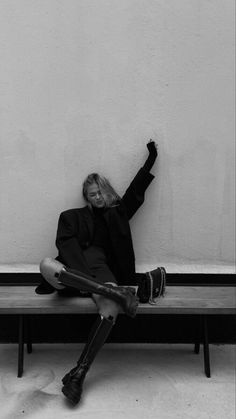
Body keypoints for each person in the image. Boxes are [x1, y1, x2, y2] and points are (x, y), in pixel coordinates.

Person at [39, 140, 158, 405]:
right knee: (47, 264)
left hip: (102, 270)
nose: (98, 198)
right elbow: (64, 245)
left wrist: (150, 160)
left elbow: (135, 191)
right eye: (92, 194)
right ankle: (114, 292)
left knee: (111, 310)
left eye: (101, 193)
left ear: (107, 192)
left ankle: (79, 373)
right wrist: (83, 278)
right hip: (72, 271)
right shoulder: (72, 216)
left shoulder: (117, 215)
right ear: (86, 198)